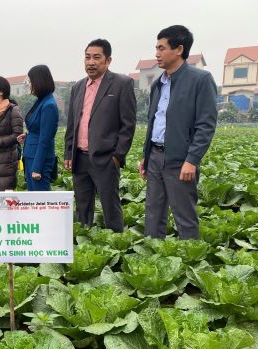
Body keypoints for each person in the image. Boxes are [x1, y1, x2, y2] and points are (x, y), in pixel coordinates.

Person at [139, 25, 217, 239]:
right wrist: (146, 156)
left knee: (184, 215)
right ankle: (152, 260)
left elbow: (206, 124)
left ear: (179, 49)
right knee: (153, 213)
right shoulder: (158, 84)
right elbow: (154, 122)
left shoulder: (200, 80)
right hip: (155, 156)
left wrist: (192, 160)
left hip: (180, 160)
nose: (157, 53)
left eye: (162, 48)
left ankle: (189, 264)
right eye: (156, 48)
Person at [64, 39, 136, 233]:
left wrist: (117, 156)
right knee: (82, 207)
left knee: (110, 206)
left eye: (97, 57)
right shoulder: (78, 87)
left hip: (106, 158)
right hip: (80, 157)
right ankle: (84, 242)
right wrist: (68, 153)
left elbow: (128, 125)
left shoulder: (122, 84)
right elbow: (72, 123)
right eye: (87, 57)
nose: (91, 62)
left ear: (108, 60)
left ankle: (117, 243)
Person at [17, 65, 59, 191]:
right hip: (31, 155)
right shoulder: (41, 101)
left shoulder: (49, 105)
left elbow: (46, 138)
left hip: (39, 160)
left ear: (39, 81)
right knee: (33, 200)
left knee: (40, 202)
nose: (29, 85)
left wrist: (37, 168)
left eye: (30, 81)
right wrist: (28, 135)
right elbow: (38, 128)